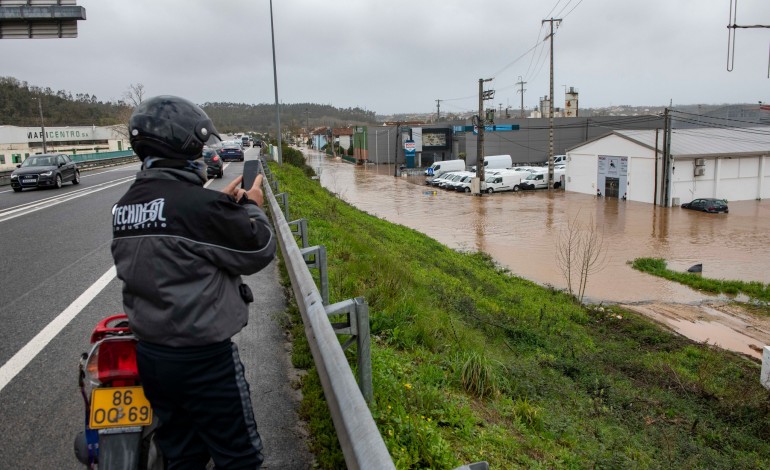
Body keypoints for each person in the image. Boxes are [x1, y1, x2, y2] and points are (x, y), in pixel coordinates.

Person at [111, 95, 276, 469]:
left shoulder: (124, 206)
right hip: (204, 361)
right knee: (240, 457)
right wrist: (251, 206)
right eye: (200, 147)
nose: (204, 156)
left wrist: (223, 207)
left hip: (152, 356)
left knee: (182, 454)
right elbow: (259, 248)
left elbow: (176, 240)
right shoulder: (198, 206)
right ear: (184, 147)